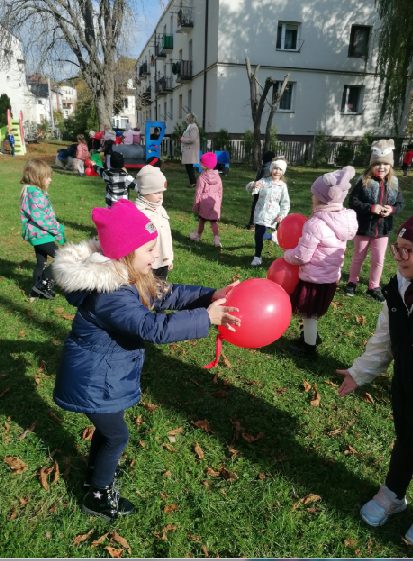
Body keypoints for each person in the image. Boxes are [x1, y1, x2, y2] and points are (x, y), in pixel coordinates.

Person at [52, 199, 240, 521]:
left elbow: (169, 294)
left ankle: (95, 475)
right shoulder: (111, 296)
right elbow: (152, 327)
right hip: (95, 381)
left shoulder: (131, 277)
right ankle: (97, 495)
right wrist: (205, 318)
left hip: (105, 376)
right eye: (150, 249)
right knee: (116, 435)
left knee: (108, 430)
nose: (156, 255)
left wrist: (210, 295)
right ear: (126, 254)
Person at [336, 215, 413, 545]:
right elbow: (385, 339)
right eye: (398, 249)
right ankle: (393, 493)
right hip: (406, 387)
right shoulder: (397, 288)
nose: (400, 257)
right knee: (407, 440)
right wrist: (359, 372)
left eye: (409, 251)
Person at [284, 167, 358, 355]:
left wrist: (287, 255)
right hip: (330, 278)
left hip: (313, 280)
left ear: (319, 198)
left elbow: (302, 256)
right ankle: (309, 335)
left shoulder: (315, 224)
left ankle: (309, 348)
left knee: (309, 314)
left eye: (313, 195)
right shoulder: (344, 220)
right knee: (312, 313)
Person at [344, 139, 404, 302]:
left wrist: (391, 209)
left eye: (385, 164)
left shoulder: (394, 184)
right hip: (363, 228)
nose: (382, 167)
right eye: (377, 164)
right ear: (372, 165)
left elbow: (400, 204)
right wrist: (371, 207)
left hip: (382, 230)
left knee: (378, 259)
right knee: (358, 256)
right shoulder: (363, 182)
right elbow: (353, 201)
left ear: (390, 165)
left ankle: (374, 286)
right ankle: (352, 281)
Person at [19, 159, 65, 299]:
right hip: (41, 235)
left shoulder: (32, 191)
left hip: (37, 234)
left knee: (41, 262)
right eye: (47, 177)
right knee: (63, 258)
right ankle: (42, 285)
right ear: (37, 178)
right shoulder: (35, 194)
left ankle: (35, 292)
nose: (50, 180)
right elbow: (42, 219)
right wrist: (57, 229)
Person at [247, 159, 290, 267]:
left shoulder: (282, 186)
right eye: (275, 168)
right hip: (260, 212)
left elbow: (285, 203)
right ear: (271, 169)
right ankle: (260, 252)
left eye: (280, 169)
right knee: (258, 235)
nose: (277, 171)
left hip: (273, 215)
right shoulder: (264, 181)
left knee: (260, 234)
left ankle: (261, 252)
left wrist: (282, 215)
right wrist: (253, 185)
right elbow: (248, 189)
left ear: (283, 172)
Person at [135, 165, 173, 280]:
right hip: (148, 264)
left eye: (162, 192)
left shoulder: (160, 209)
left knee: (162, 289)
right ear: (145, 192)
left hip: (163, 261)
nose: (161, 196)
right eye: (156, 193)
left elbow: (167, 235)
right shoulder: (139, 213)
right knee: (147, 290)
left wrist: (169, 258)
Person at [189, 152, 223, 248]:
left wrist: (196, 205)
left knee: (202, 221)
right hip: (214, 202)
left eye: (201, 162)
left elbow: (198, 192)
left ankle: (198, 236)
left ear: (204, 165)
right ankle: (216, 239)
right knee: (214, 222)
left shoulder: (202, 178)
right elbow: (220, 192)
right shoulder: (218, 177)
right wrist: (219, 203)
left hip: (204, 203)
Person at [244, 150, 275, 230]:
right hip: (261, 191)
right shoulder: (269, 167)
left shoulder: (265, 168)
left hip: (260, 192)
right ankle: (255, 224)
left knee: (258, 207)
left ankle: (254, 224)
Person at [180, 112, 200, 187]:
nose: (186, 119)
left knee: (189, 167)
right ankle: (192, 182)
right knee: (188, 167)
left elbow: (192, 139)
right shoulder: (190, 126)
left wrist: (182, 139)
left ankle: (193, 182)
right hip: (188, 150)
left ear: (191, 119)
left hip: (190, 150)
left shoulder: (194, 127)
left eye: (187, 118)